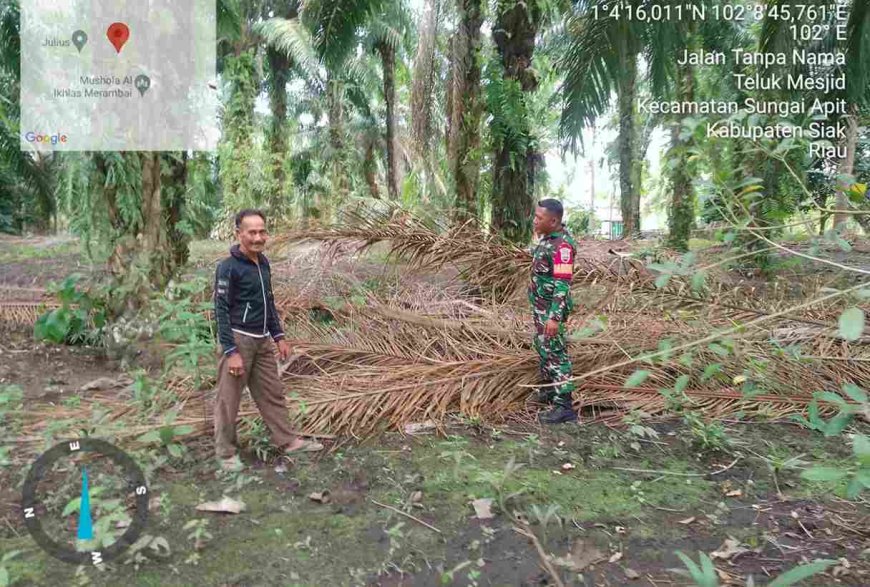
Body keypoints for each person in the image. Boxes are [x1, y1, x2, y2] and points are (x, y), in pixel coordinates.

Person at [212, 209, 322, 471]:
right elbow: (221, 310)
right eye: (252, 232)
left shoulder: (263, 263)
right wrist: (230, 351)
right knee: (228, 400)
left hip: (262, 342)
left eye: (262, 231)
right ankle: (225, 453)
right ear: (239, 233)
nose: (258, 237)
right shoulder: (228, 268)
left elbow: (268, 302)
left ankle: (287, 441)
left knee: (272, 393)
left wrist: (279, 336)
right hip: (239, 341)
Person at [529, 199, 578, 424]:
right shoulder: (548, 240)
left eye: (540, 218)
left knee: (556, 353)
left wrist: (554, 318)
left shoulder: (563, 247)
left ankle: (564, 406)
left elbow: (562, 284)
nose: (535, 221)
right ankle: (550, 390)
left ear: (554, 220)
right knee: (544, 347)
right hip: (541, 308)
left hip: (551, 310)